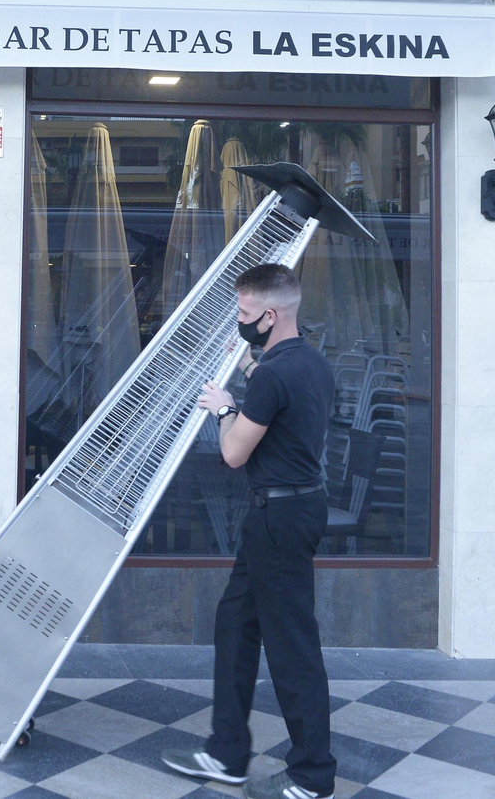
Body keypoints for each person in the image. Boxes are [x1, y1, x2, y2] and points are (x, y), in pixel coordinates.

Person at [162, 263, 337, 799]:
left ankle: (312, 776)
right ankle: (227, 754)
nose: (238, 321)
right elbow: (280, 404)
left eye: (243, 312)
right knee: (235, 624)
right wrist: (248, 372)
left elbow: (235, 453)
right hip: (286, 513)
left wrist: (224, 408)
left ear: (270, 315)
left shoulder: (273, 376)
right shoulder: (308, 362)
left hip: (280, 519)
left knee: (291, 647)